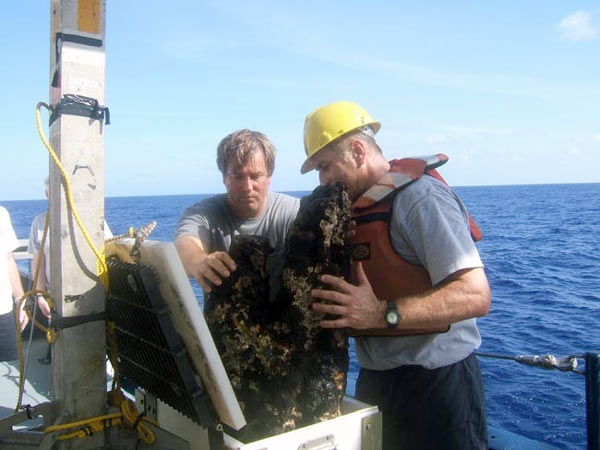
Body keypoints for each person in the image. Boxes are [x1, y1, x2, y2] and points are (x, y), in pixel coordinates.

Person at [300, 101, 491, 449]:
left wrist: (380, 312)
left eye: (325, 167)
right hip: (378, 382)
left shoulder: (422, 200)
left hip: (438, 385)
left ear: (358, 151)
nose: (323, 180)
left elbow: (475, 295)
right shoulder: (355, 210)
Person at [175, 129, 300, 293]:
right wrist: (198, 261)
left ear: (269, 177)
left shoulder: (293, 212)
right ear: (224, 178)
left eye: (255, 176)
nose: (247, 187)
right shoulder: (203, 214)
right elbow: (186, 243)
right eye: (237, 177)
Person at [28, 177, 113, 363]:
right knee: (60, 348)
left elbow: (109, 252)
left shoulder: (93, 221)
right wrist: (40, 295)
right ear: (47, 195)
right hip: (55, 297)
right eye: (54, 193)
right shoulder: (39, 223)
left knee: (93, 347)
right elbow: (38, 263)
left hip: (90, 298)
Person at [0, 206, 28, 361]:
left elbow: (8, 259)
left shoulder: (1, 213)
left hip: (3, 310)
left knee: (8, 364)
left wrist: (20, 299)